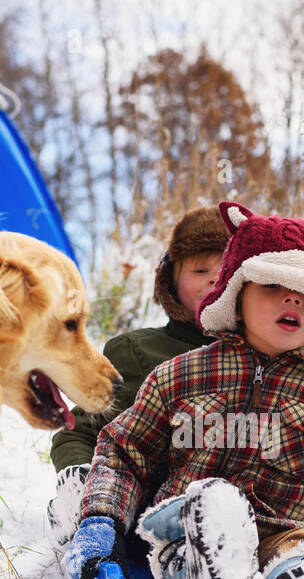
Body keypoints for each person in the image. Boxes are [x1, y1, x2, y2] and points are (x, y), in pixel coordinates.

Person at [64, 201, 304, 579]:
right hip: (191, 529)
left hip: (289, 529)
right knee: (197, 533)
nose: (293, 298)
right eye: (272, 286)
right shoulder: (182, 376)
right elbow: (124, 451)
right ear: (237, 297)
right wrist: (101, 521)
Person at [46, 205, 228, 543]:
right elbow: (83, 432)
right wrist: (82, 478)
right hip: (155, 508)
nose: (215, 278)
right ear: (170, 283)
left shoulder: (267, 354)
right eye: (200, 270)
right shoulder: (141, 352)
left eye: (227, 268)